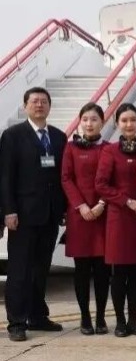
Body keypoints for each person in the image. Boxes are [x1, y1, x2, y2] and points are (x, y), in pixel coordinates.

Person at [0, 87, 68, 342]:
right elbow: (6, 176)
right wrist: (8, 211)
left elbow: (62, 176)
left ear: (49, 106)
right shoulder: (13, 135)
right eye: (34, 101)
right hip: (23, 216)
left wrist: (63, 208)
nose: (39, 105)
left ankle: (37, 316)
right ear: (25, 106)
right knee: (20, 270)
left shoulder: (59, 137)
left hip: (50, 215)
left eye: (43, 101)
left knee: (41, 268)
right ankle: (17, 322)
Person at [95, 103, 136, 338]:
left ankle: (134, 321)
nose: (129, 124)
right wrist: (127, 201)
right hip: (119, 218)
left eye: (133, 120)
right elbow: (101, 185)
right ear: (117, 123)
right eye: (124, 120)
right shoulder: (110, 151)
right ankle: (119, 322)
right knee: (119, 273)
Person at [61, 102, 110, 335]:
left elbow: (114, 180)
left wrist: (101, 203)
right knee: (81, 270)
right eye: (85, 119)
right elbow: (66, 178)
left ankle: (101, 317)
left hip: (103, 215)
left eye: (94, 119)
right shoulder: (70, 148)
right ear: (80, 122)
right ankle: (85, 317)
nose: (89, 124)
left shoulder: (109, 148)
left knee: (102, 271)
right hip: (79, 215)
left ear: (102, 122)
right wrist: (81, 205)